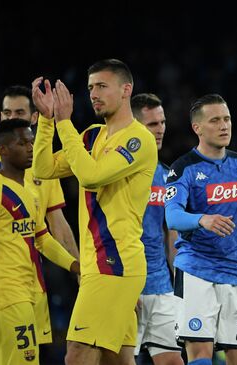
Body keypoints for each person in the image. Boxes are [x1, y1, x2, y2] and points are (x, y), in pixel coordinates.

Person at [32, 58, 157, 365]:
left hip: (115, 263)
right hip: (97, 265)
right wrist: (48, 121)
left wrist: (64, 123)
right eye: (90, 88)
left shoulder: (138, 138)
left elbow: (91, 175)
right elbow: (42, 167)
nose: (94, 94)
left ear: (126, 89)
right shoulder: (90, 136)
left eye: (102, 86)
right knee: (116, 360)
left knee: (76, 354)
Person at [0, 85, 79, 352]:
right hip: (2, 289)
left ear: (33, 118)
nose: (12, 118)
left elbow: (45, 234)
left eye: (19, 112)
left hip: (31, 287)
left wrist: (76, 266)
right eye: (7, 113)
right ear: (4, 148)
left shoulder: (35, 177)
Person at [164, 93, 237, 365]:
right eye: (215, 120)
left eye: (227, 119)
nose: (224, 126)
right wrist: (201, 219)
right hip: (196, 272)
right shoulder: (182, 168)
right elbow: (172, 217)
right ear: (197, 128)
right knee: (201, 357)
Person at [130, 93, 183, 365]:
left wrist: (181, 284)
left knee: (172, 360)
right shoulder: (120, 173)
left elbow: (170, 234)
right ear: (136, 127)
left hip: (161, 285)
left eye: (162, 122)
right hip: (127, 283)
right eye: (152, 124)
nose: (161, 129)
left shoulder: (165, 174)